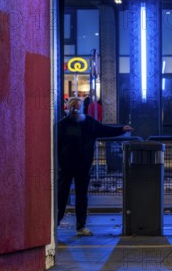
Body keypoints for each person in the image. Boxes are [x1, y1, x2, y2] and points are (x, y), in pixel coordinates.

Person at [57, 97, 133, 236]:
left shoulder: (69, 124)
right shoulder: (67, 124)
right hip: (70, 166)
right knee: (64, 195)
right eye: (74, 106)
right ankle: (61, 223)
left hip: (80, 166)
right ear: (68, 107)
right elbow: (104, 130)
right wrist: (121, 130)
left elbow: (105, 130)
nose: (75, 109)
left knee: (78, 196)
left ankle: (78, 225)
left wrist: (121, 129)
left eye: (77, 106)